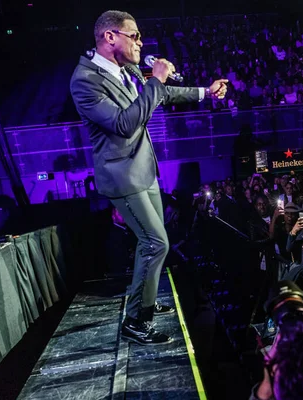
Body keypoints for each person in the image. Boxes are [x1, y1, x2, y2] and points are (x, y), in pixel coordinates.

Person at [69, 10, 228, 345]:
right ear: (110, 37)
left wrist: (205, 92)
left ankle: (146, 300)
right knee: (156, 242)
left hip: (144, 170)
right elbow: (125, 124)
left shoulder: (125, 69)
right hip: (121, 176)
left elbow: (163, 96)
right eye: (135, 35)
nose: (141, 43)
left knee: (151, 242)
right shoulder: (85, 80)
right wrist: (155, 80)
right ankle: (135, 322)